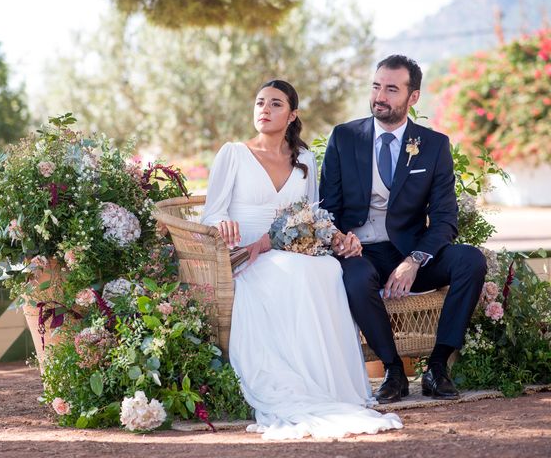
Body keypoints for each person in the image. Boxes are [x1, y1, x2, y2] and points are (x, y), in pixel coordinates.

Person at [201, 80, 402, 439]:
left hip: (289, 250)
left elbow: (311, 215)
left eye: (275, 104)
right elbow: (210, 214)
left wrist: (338, 238)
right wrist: (224, 223)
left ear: (292, 115)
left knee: (326, 267)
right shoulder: (232, 153)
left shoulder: (305, 160)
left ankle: (323, 381)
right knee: (294, 270)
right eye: (260, 102)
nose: (264, 109)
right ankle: (295, 381)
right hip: (247, 255)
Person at [319, 55, 487, 404]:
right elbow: (327, 209)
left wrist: (415, 259)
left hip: (409, 253)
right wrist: (338, 237)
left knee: (470, 261)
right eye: (376, 86)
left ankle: (438, 366)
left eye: (392, 89)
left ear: (413, 98)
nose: (380, 95)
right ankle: (393, 370)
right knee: (354, 278)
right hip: (360, 252)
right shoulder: (344, 137)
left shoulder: (434, 145)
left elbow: (444, 218)